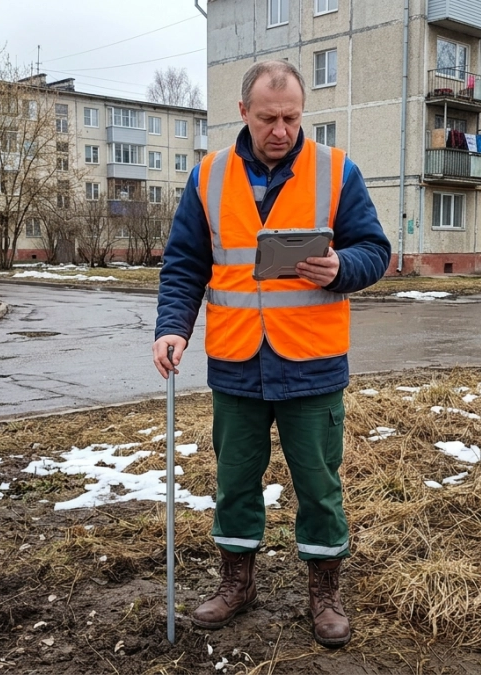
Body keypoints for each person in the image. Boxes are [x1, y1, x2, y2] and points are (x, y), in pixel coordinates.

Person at [152, 60, 391, 648]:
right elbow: (184, 263)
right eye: (267, 119)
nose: (281, 130)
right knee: (235, 481)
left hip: (312, 363)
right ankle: (238, 582)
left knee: (318, 484)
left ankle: (324, 593)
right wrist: (173, 327)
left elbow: (375, 250)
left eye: (291, 117)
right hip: (236, 361)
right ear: (243, 113)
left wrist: (341, 267)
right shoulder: (208, 176)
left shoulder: (336, 171)